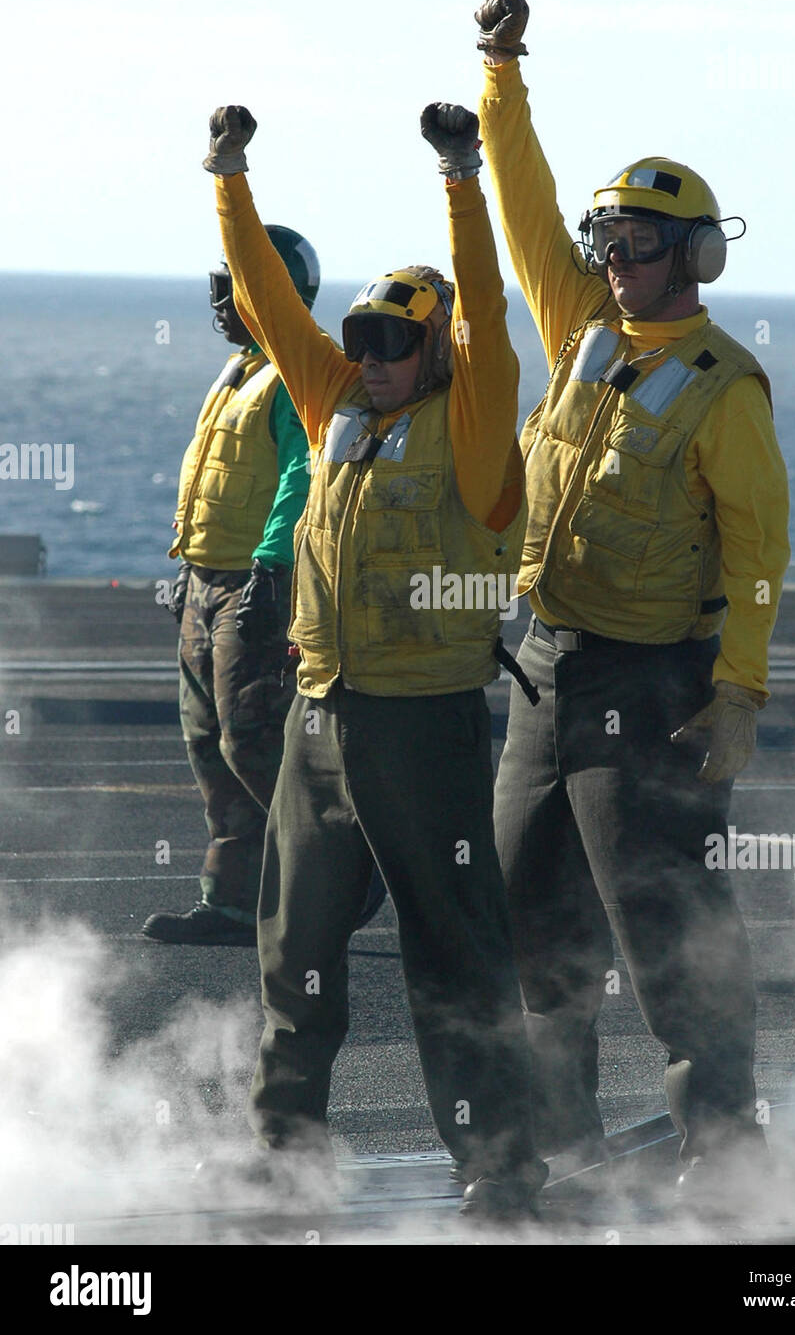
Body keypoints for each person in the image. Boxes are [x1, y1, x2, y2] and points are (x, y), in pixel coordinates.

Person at [473, 0, 791, 1213]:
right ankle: (563, 1140)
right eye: (607, 240)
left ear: (696, 257)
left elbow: (760, 545)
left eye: (640, 244)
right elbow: (519, 207)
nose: (612, 259)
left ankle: (724, 1145)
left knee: (664, 924)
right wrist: (500, 68)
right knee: (529, 919)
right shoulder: (581, 331)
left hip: (651, 682)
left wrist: (739, 690)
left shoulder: (723, 386)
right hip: (544, 670)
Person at [200, 99, 547, 1221]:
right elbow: (262, 297)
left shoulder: (478, 426)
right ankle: (283, 1149)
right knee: (292, 952)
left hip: (424, 725)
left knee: (454, 957)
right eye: (358, 339)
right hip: (320, 722)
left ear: (434, 345)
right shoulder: (335, 406)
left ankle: (498, 1164)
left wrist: (460, 175)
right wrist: (229, 176)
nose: (368, 358)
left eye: (392, 341)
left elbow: (487, 311)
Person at [143, 233, 388, 944]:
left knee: (253, 738)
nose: (220, 299)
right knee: (208, 741)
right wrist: (192, 566)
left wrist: (272, 566)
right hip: (205, 581)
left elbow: (302, 476)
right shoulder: (239, 371)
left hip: (255, 583)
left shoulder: (295, 376)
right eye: (220, 283)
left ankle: (348, 867)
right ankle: (232, 900)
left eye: (236, 285)